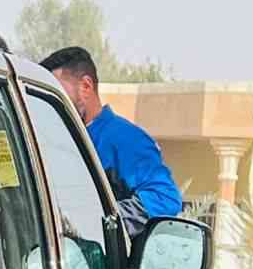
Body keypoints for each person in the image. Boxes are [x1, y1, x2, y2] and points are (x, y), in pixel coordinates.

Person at [38, 47, 182, 239]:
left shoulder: (126, 139)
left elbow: (164, 198)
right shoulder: (53, 139)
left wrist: (98, 221)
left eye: (58, 93)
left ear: (86, 87)